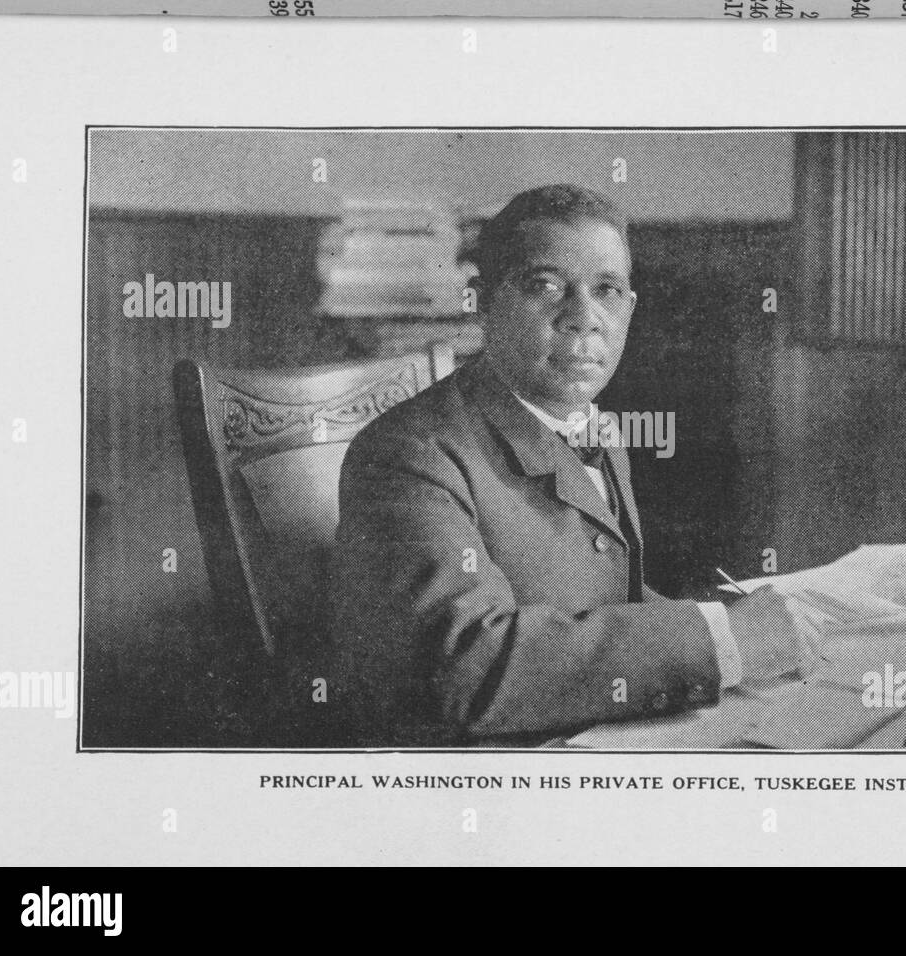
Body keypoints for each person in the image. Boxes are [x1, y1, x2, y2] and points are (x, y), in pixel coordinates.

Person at [329, 184, 811, 747]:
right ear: (484, 301)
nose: (584, 318)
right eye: (545, 286)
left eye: (607, 290)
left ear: (629, 309)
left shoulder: (588, 424)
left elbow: (601, 598)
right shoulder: (411, 455)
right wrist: (718, 642)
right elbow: (468, 667)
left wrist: (722, 625)